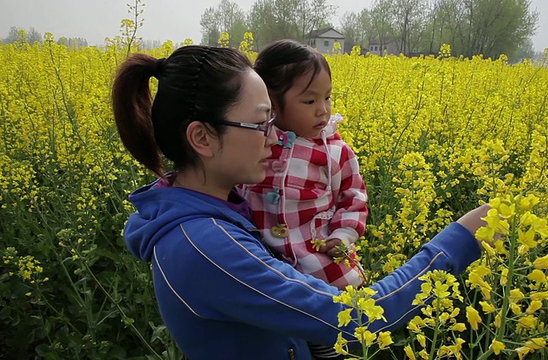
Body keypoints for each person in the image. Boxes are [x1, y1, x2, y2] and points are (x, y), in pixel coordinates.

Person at [112, 45, 489, 360]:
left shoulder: (222, 214)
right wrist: (459, 240)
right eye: (262, 124)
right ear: (203, 138)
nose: (275, 141)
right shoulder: (206, 247)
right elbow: (356, 321)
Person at [240, 39, 368, 294]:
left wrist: (342, 236)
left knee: (345, 319)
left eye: (328, 97)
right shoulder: (254, 143)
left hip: (321, 265)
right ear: (272, 104)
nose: (323, 110)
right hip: (264, 265)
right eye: (309, 102)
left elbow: (354, 198)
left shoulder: (335, 151)